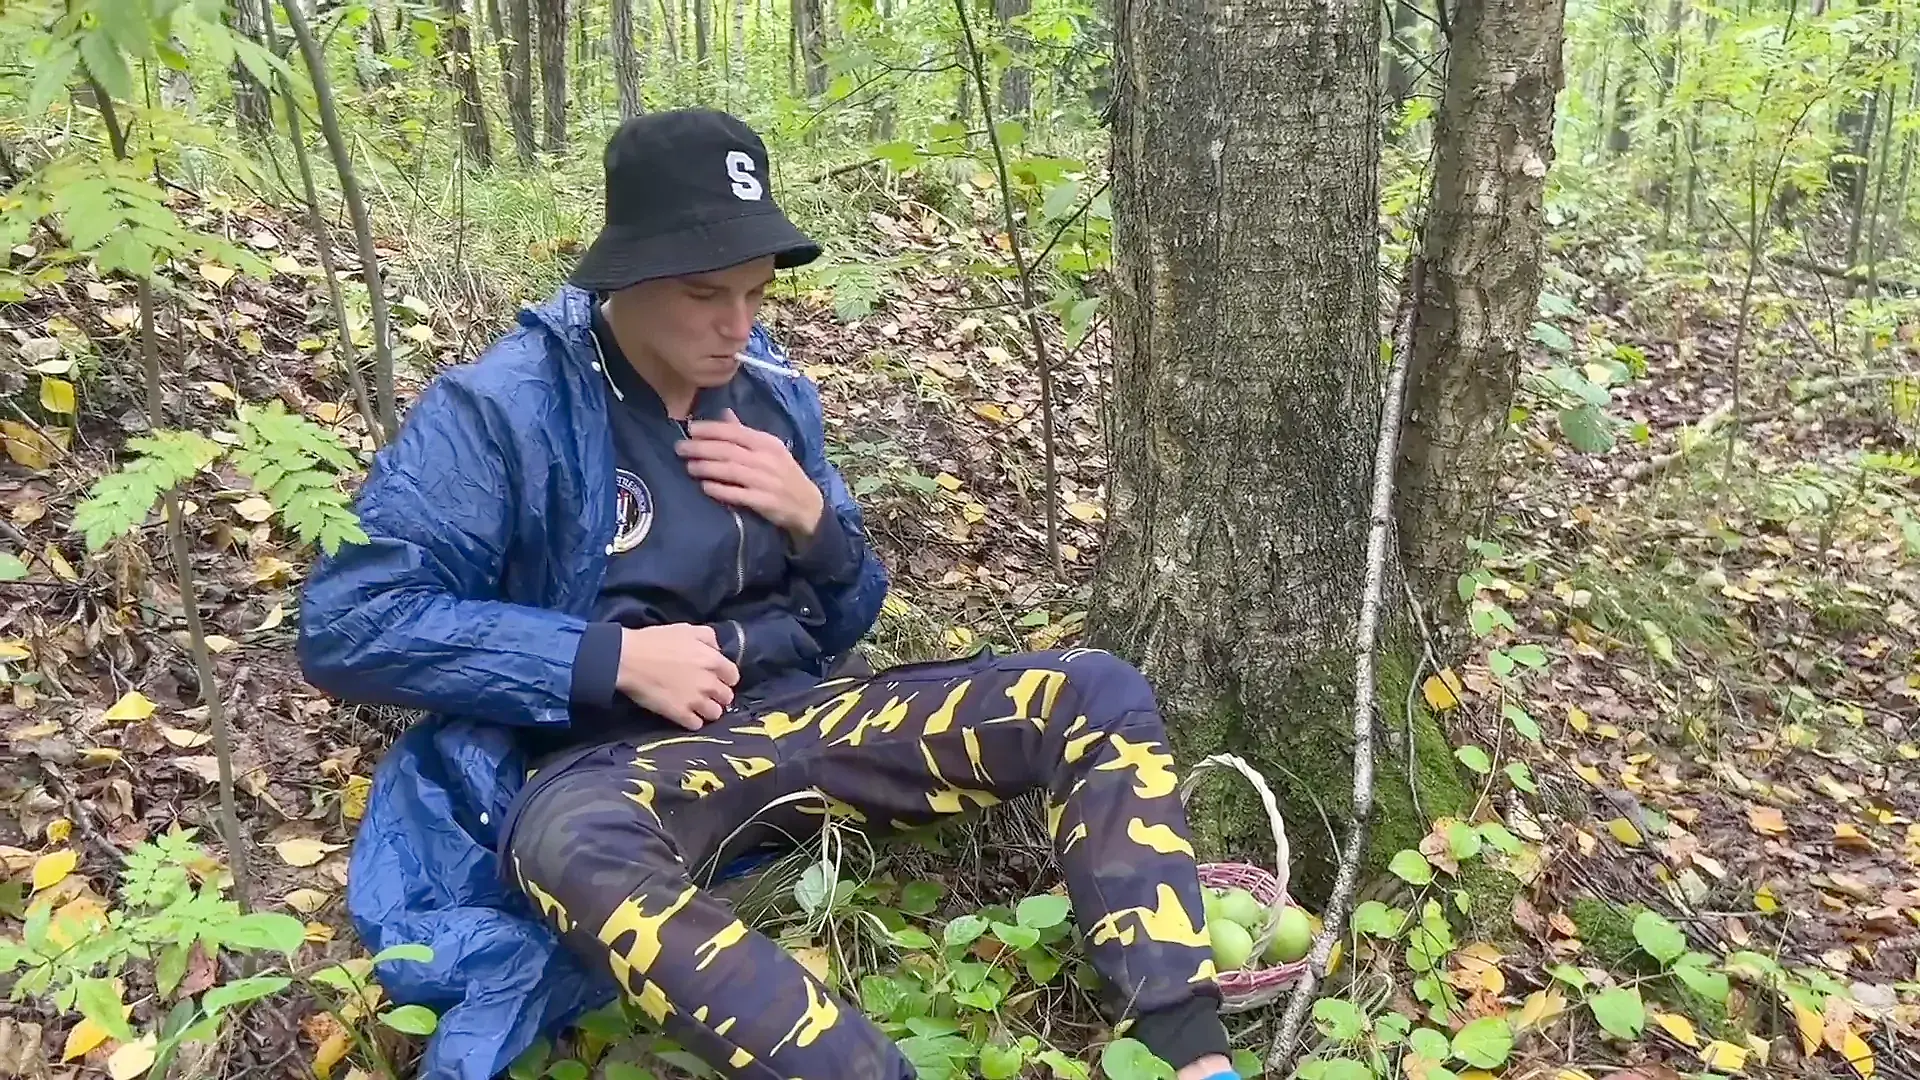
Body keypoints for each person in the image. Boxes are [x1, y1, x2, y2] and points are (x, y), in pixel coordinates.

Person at [298, 108, 1237, 1080]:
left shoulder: (769, 389)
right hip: (616, 766)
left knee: (1091, 690)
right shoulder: (504, 408)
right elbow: (352, 621)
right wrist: (608, 658)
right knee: (567, 846)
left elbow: (850, 613)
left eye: (756, 290)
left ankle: (1186, 1045)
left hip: (806, 720)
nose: (738, 325)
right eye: (706, 292)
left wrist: (814, 524)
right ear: (626, 274)